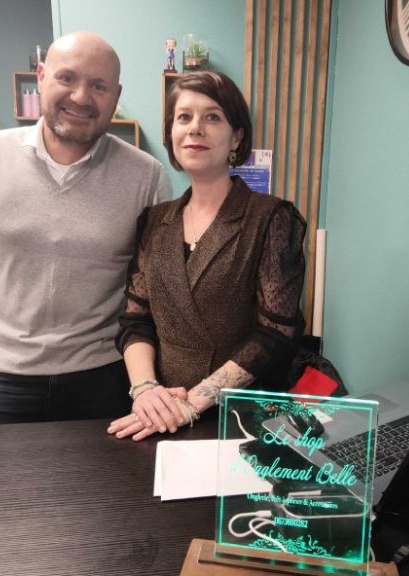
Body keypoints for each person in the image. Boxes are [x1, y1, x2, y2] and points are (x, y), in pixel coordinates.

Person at [0, 31, 172, 425]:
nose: (82, 97)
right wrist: (21, 316)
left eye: (99, 86)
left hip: (105, 376)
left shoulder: (146, 176)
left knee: (110, 488)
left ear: (116, 96)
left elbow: (148, 284)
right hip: (7, 374)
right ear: (41, 77)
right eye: (67, 78)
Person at [108, 71, 307, 441]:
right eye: (184, 117)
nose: (195, 128)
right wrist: (146, 390)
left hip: (240, 418)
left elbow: (276, 334)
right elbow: (135, 321)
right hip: (159, 414)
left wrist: (194, 402)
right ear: (171, 134)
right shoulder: (153, 221)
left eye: (212, 117)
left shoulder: (271, 218)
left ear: (237, 136)